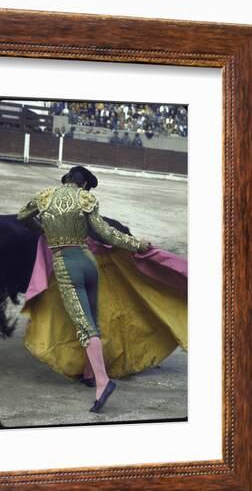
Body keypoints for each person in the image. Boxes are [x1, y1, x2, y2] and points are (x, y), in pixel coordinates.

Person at [17, 166, 151, 412]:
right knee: (93, 322)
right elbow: (104, 232)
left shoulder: (45, 197)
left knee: (84, 325)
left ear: (66, 179)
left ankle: (102, 381)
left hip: (66, 264)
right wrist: (136, 244)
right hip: (88, 263)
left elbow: (22, 216)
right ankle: (91, 374)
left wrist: (44, 230)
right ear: (84, 185)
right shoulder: (86, 199)